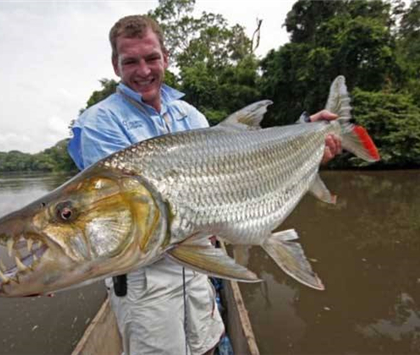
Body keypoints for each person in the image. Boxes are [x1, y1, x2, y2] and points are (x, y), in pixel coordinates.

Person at [68, 15, 341, 355]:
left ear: (165, 57)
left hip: (198, 265)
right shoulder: (98, 123)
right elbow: (121, 218)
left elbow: (238, 166)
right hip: (145, 280)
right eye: (131, 61)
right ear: (115, 65)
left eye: (151, 58)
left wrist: (305, 138)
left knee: (208, 345)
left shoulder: (190, 115)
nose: (143, 70)